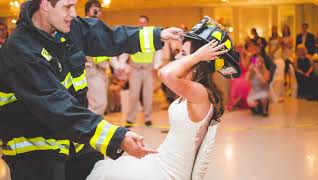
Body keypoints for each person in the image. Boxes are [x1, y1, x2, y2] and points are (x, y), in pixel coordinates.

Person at [0, 0, 182, 179]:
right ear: (45, 4)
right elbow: (57, 107)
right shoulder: (20, 51)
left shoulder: (69, 28)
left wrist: (158, 35)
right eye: (67, 6)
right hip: (36, 150)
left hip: (73, 136)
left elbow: (110, 36)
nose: (73, 13)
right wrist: (117, 137)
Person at [87, 20, 232, 180]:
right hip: (161, 161)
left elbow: (165, 74)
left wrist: (197, 55)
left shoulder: (201, 93)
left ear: (197, 62)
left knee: (103, 173)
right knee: (104, 167)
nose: (176, 56)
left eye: (183, 54)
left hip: (168, 173)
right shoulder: (193, 88)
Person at [119, 15, 162, 127]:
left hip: (148, 70)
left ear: (147, 24)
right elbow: (125, 52)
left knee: (147, 96)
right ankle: (130, 119)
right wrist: (121, 65)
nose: (141, 24)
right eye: (140, 22)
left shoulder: (151, 37)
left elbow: (158, 51)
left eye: (144, 22)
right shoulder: (132, 36)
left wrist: (157, 66)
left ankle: (148, 118)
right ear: (137, 23)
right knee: (133, 95)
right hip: (135, 70)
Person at [84, 0, 112, 115]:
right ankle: (91, 129)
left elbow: (109, 47)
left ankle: (93, 128)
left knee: (99, 104)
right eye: (93, 8)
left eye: (98, 9)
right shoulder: (83, 25)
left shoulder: (101, 26)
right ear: (87, 10)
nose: (96, 11)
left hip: (103, 69)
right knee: (98, 104)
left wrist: (116, 67)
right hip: (91, 68)